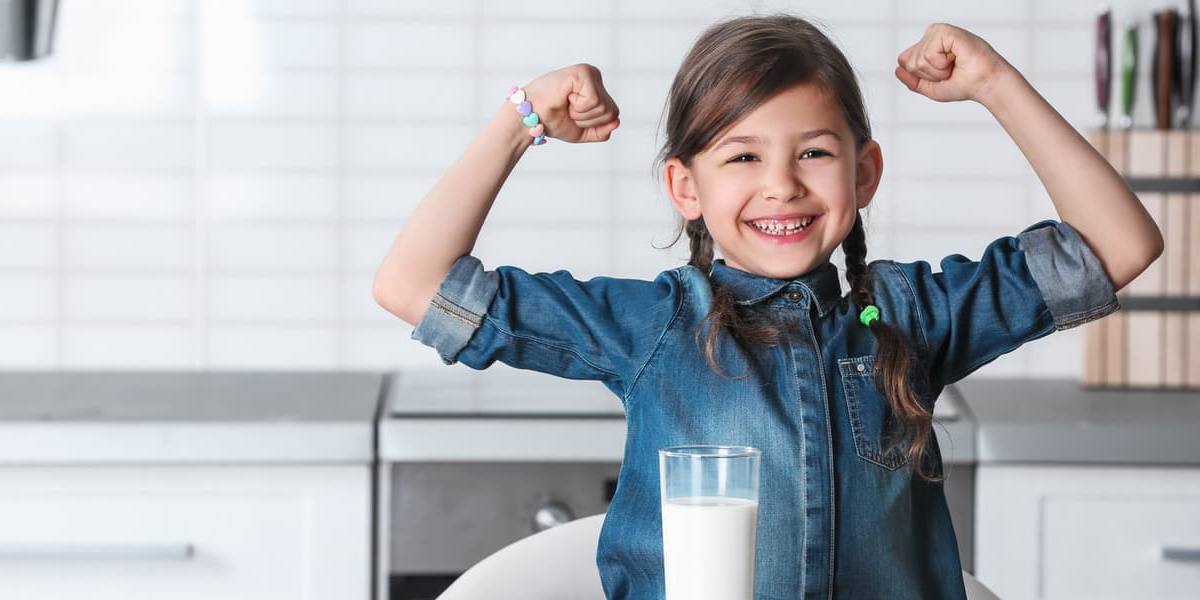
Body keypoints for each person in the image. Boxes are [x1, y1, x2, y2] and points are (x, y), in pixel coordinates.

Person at [372, 13, 1162, 600]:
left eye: (814, 152)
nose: (782, 183)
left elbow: (1117, 244)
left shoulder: (912, 315)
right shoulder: (652, 328)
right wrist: (520, 123)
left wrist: (995, 83)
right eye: (742, 156)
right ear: (687, 188)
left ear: (864, 173)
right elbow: (413, 285)